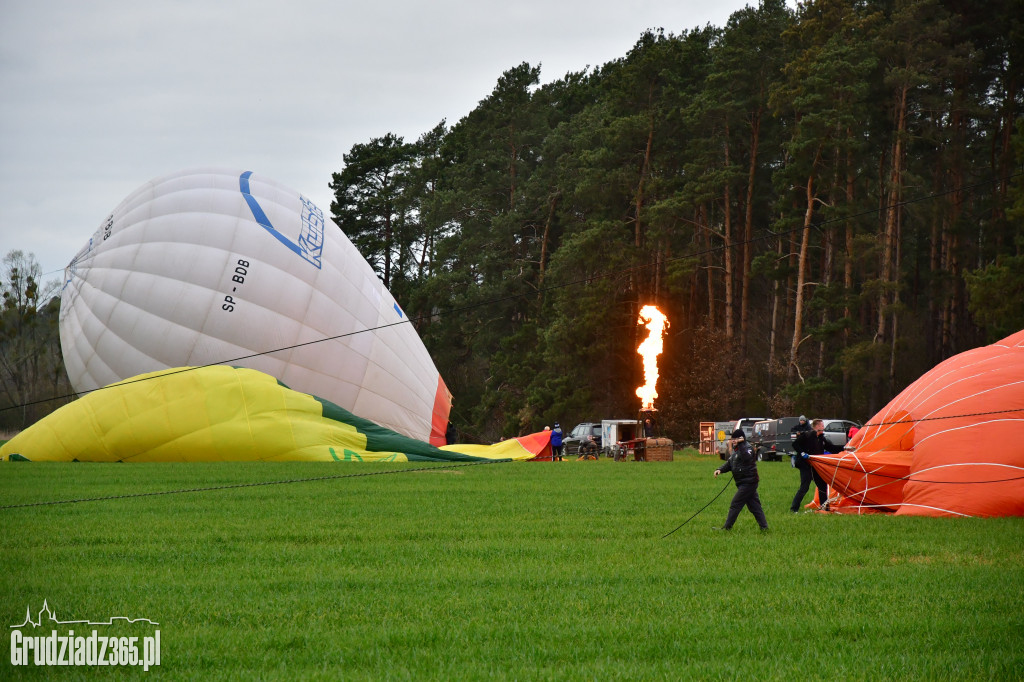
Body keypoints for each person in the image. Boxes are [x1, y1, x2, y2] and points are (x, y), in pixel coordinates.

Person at [713, 429, 769, 532]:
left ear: (741, 439)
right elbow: (730, 463)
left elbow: (747, 458)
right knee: (755, 506)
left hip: (749, 482)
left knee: (735, 504)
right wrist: (720, 470)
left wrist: (742, 443)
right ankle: (764, 527)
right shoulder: (736, 449)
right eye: (732, 438)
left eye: (735, 438)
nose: (733, 440)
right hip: (743, 482)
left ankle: (727, 528)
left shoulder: (747, 448)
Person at [791, 418, 831, 512]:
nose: (823, 428)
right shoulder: (807, 435)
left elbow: (831, 447)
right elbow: (795, 444)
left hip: (816, 466)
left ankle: (825, 508)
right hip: (805, 465)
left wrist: (845, 448)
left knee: (822, 485)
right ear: (817, 427)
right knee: (804, 487)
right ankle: (794, 509)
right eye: (821, 426)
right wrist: (802, 453)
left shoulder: (821, 438)